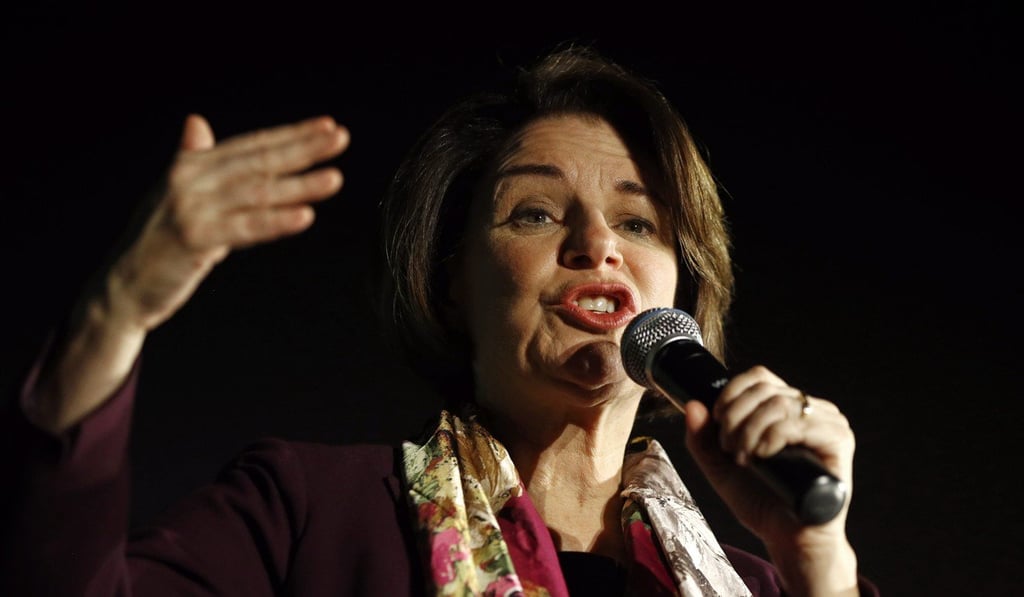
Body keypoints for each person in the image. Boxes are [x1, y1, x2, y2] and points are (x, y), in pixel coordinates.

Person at [1, 45, 877, 596]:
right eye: (535, 213)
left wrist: (819, 562)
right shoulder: (310, 514)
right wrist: (115, 312)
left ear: (679, 293)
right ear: (452, 280)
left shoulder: (764, 581)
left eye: (640, 221)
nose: (597, 242)